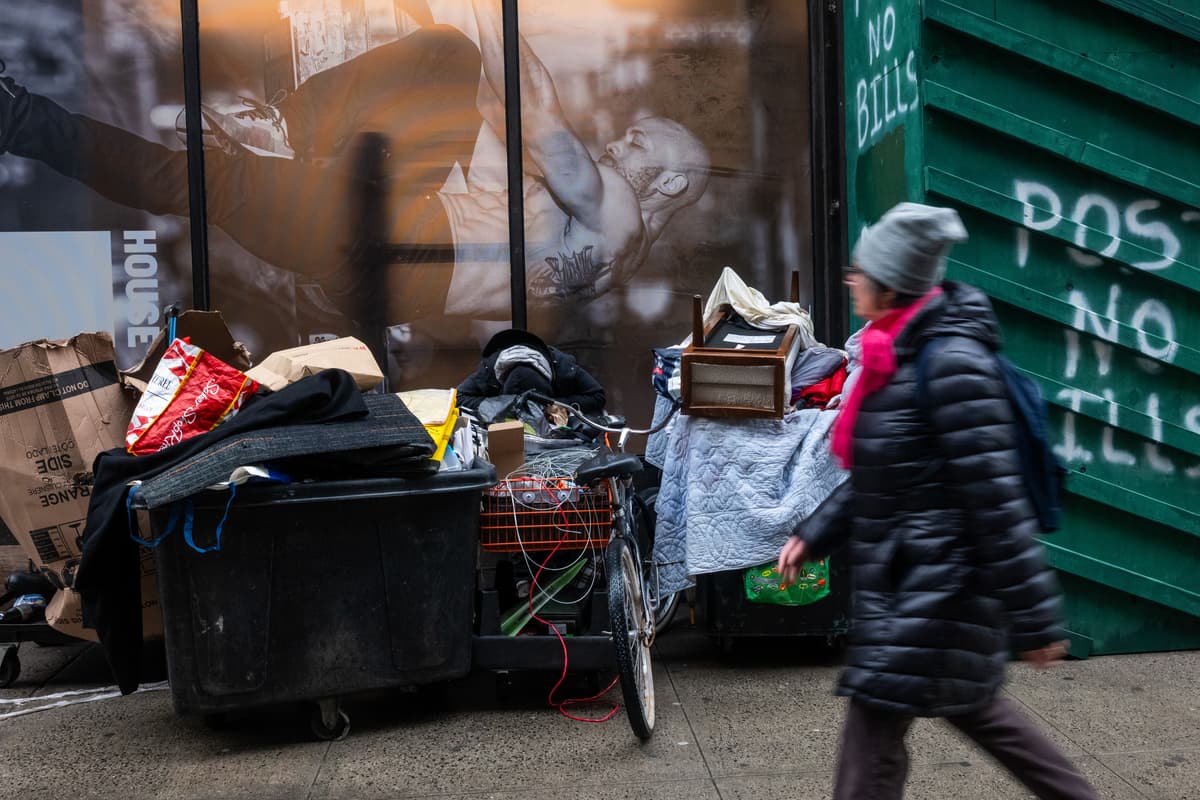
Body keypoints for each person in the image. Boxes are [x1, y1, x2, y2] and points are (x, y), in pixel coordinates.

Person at [0, 0, 710, 334]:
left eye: (642, 142)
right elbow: (499, 120)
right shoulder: (603, 253)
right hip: (397, 256)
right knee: (448, 57)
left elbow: (538, 111)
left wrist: (495, 10)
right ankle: (288, 128)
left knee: (190, 183)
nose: (621, 142)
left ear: (671, 183)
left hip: (386, 237)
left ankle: (16, 117)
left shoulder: (614, 210)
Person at [777, 202, 1097, 800]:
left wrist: (1035, 620)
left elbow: (996, 500)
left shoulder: (950, 364)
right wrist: (816, 531)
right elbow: (887, 476)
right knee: (961, 716)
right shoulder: (891, 355)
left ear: (892, 283)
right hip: (910, 583)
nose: (850, 280)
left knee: (890, 725)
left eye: (860, 271)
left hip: (939, 589)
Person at [456, 328, 605, 415]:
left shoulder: (563, 368)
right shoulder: (490, 373)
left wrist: (553, 405)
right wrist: (503, 405)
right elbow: (456, 398)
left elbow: (598, 396)